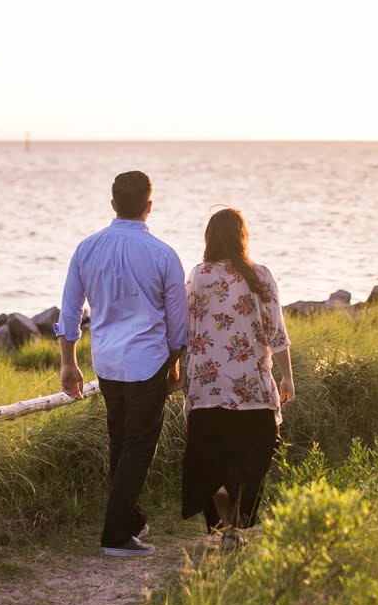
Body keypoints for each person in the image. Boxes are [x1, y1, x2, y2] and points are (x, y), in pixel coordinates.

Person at [54, 171, 188, 558]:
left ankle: (128, 520)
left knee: (120, 442)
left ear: (113, 204)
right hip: (149, 361)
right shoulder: (163, 254)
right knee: (139, 446)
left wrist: (69, 363)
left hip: (107, 361)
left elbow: (69, 311)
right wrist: (175, 361)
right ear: (150, 206)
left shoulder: (86, 249)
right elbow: (178, 324)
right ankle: (115, 535)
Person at [180, 207, 295, 548]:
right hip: (252, 387)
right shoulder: (259, 276)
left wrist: (178, 372)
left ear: (209, 238)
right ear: (243, 237)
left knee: (211, 455)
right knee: (255, 454)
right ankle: (233, 520)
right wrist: (287, 377)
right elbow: (277, 333)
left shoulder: (198, 276)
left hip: (206, 387)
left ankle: (221, 511)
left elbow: (184, 330)